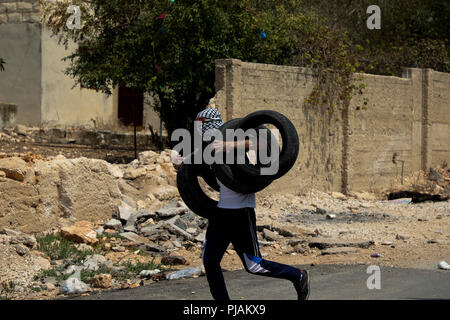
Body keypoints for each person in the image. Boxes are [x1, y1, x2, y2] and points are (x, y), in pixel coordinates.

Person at [174, 107, 309, 301]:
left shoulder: (228, 139)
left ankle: (298, 275)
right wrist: (184, 166)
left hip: (240, 212)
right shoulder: (210, 148)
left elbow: (263, 143)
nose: (197, 131)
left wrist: (229, 146)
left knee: (253, 265)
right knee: (211, 262)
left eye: (199, 126)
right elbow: (202, 166)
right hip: (221, 213)